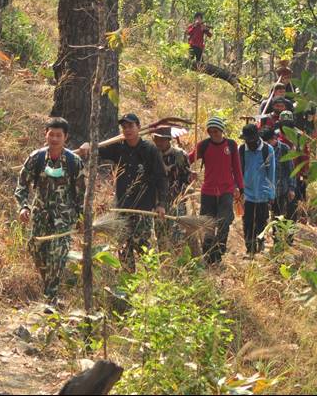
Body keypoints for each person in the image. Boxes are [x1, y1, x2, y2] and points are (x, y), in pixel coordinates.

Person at [78, 113, 167, 272]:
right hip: (121, 207)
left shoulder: (150, 150)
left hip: (143, 208)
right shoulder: (118, 147)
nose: (127, 130)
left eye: (131, 126)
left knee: (142, 245)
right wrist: (88, 147)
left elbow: (161, 178)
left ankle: (151, 280)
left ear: (138, 127)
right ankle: (128, 280)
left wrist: (161, 204)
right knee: (123, 245)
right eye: (124, 127)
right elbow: (97, 151)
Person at [15, 117, 85, 304]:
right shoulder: (36, 158)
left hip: (64, 218)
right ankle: (49, 285)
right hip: (39, 216)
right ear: (45, 134)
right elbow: (22, 185)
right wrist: (23, 206)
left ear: (65, 137)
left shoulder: (73, 162)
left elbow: (81, 193)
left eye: (58, 135)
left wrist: (82, 217)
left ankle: (50, 299)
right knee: (36, 251)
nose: (54, 139)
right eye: (51, 134)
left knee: (57, 256)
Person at [188, 117, 244, 265]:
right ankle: (207, 255)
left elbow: (237, 168)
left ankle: (218, 254)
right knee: (208, 224)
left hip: (226, 190)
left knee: (224, 222)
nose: (214, 134)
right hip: (208, 191)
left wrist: (240, 187)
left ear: (222, 131)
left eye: (217, 131)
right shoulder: (204, 145)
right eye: (211, 131)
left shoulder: (231, 145)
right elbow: (188, 159)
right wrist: (187, 170)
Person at [152, 127, 192, 251]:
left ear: (168, 140)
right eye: (156, 139)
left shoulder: (180, 155)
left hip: (177, 201)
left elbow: (186, 177)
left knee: (177, 235)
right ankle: (165, 264)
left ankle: (178, 262)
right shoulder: (152, 155)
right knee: (161, 235)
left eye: (162, 140)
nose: (159, 143)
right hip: (158, 202)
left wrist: (190, 179)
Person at [239, 124, 276, 256]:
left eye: (252, 140)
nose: (250, 143)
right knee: (248, 221)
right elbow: (238, 171)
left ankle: (260, 243)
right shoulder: (242, 150)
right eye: (247, 140)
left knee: (261, 220)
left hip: (263, 192)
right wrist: (238, 191)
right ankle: (250, 248)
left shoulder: (268, 150)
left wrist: (271, 194)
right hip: (247, 193)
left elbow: (271, 173)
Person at [260, 127, 296, 245]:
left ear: (274, 139)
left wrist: (291, 188)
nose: (266, 144)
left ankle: (281, 242)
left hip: (281, 189)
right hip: (265, 190)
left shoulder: (284, 149)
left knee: (280, 216)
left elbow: (291, 169)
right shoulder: (262, 149)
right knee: (266, 216)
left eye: (268, 142)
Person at [277, 110, 310, 224]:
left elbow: (305, 157)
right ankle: (278, 235)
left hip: (294, 177)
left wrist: (305, 175)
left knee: (292, 207)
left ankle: (289, 236)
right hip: (277, 177)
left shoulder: (299, 136)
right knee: (278, 208)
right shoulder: (275, 135)